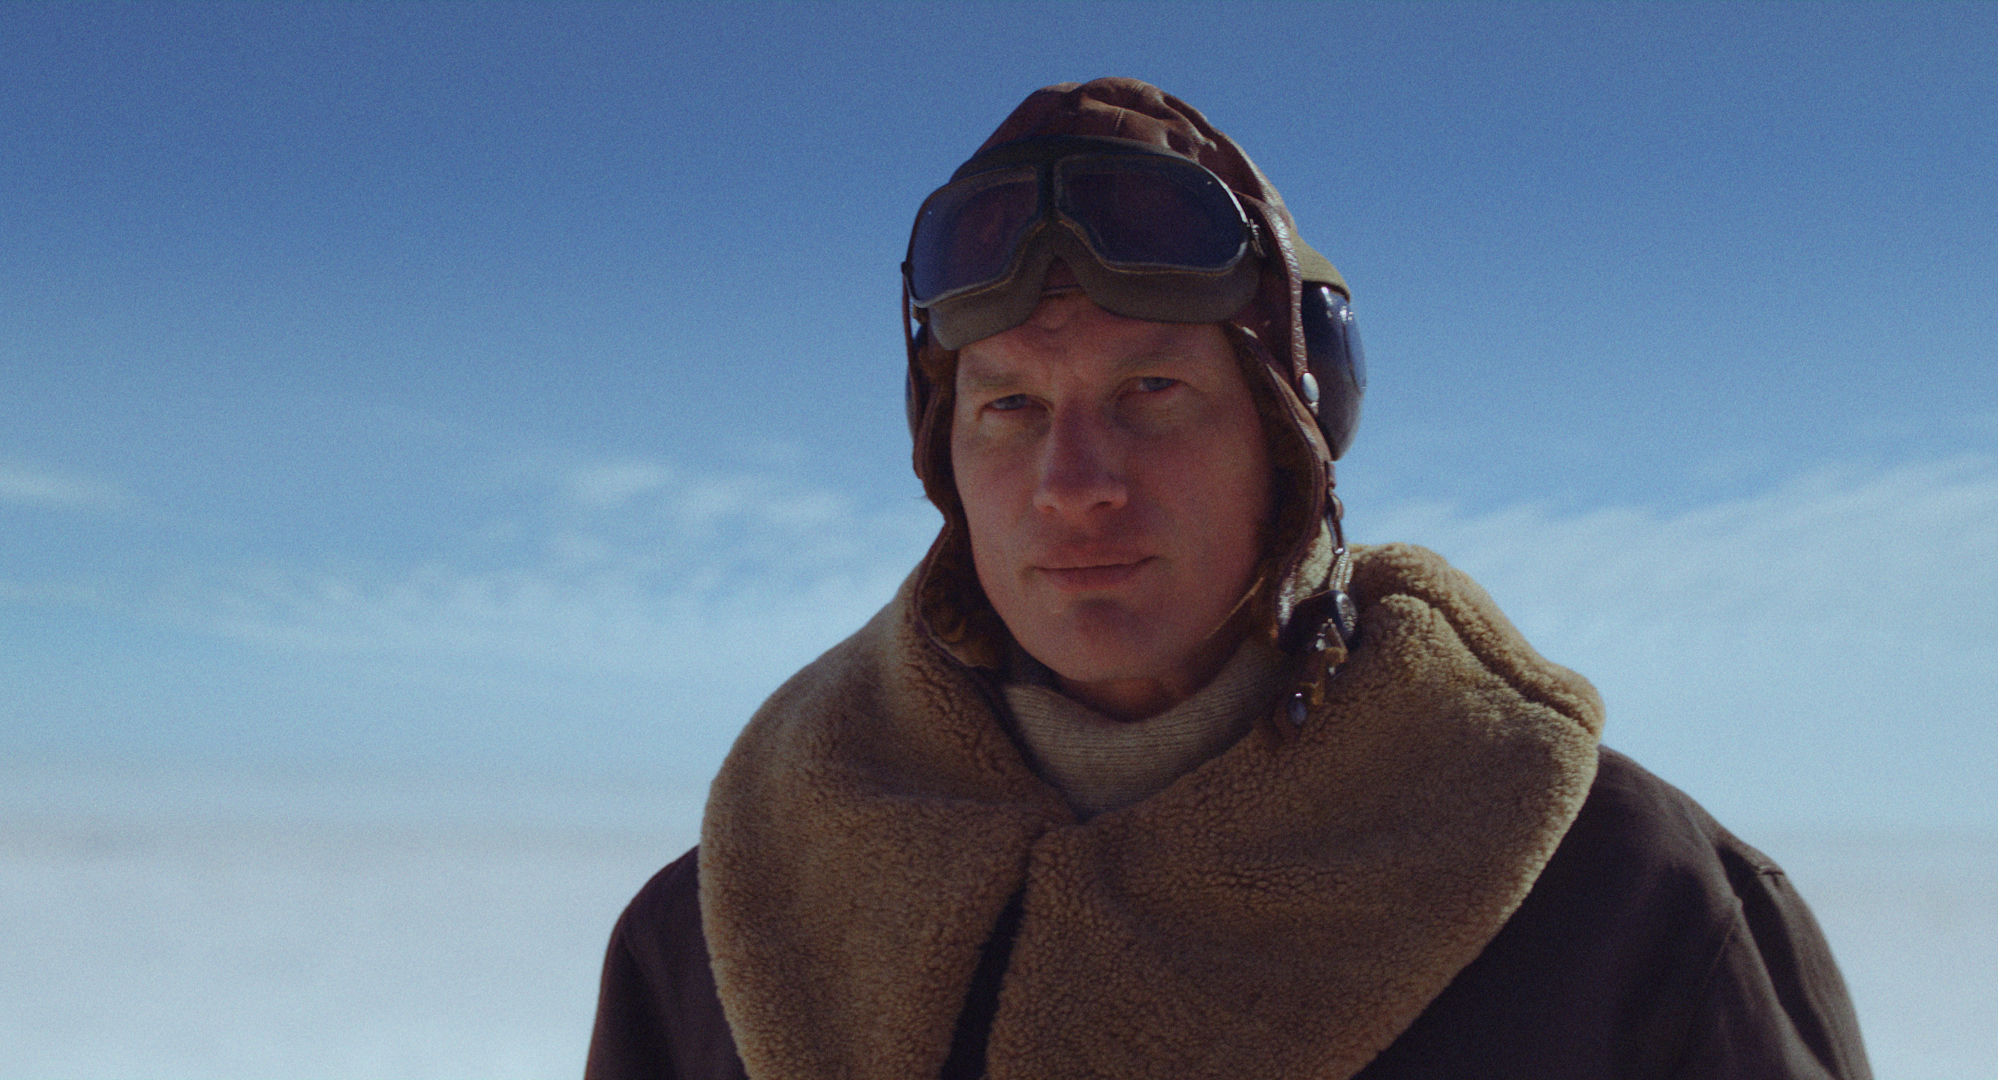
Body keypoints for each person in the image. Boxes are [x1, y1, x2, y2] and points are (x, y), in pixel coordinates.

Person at [586, 78, 1871, 1080]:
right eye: (1010, 407)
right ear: (946, 460)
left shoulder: (1627, 911)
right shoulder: (730, 929)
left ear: (1290, 443)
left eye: (1153, 391)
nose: (1073, 482)